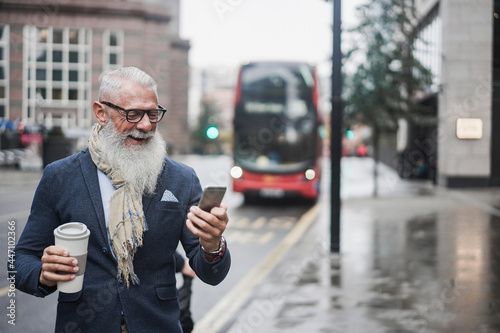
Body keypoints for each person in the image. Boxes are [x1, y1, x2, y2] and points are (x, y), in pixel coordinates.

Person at [13, 66, 231, 332]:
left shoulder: (182, 179)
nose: (146, 125)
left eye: (153, 114)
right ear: (101, 112)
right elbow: (22, 259)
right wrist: (43, 274)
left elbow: (211, 274)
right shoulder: (60, 176)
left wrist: (212, 245)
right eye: (133, 114)